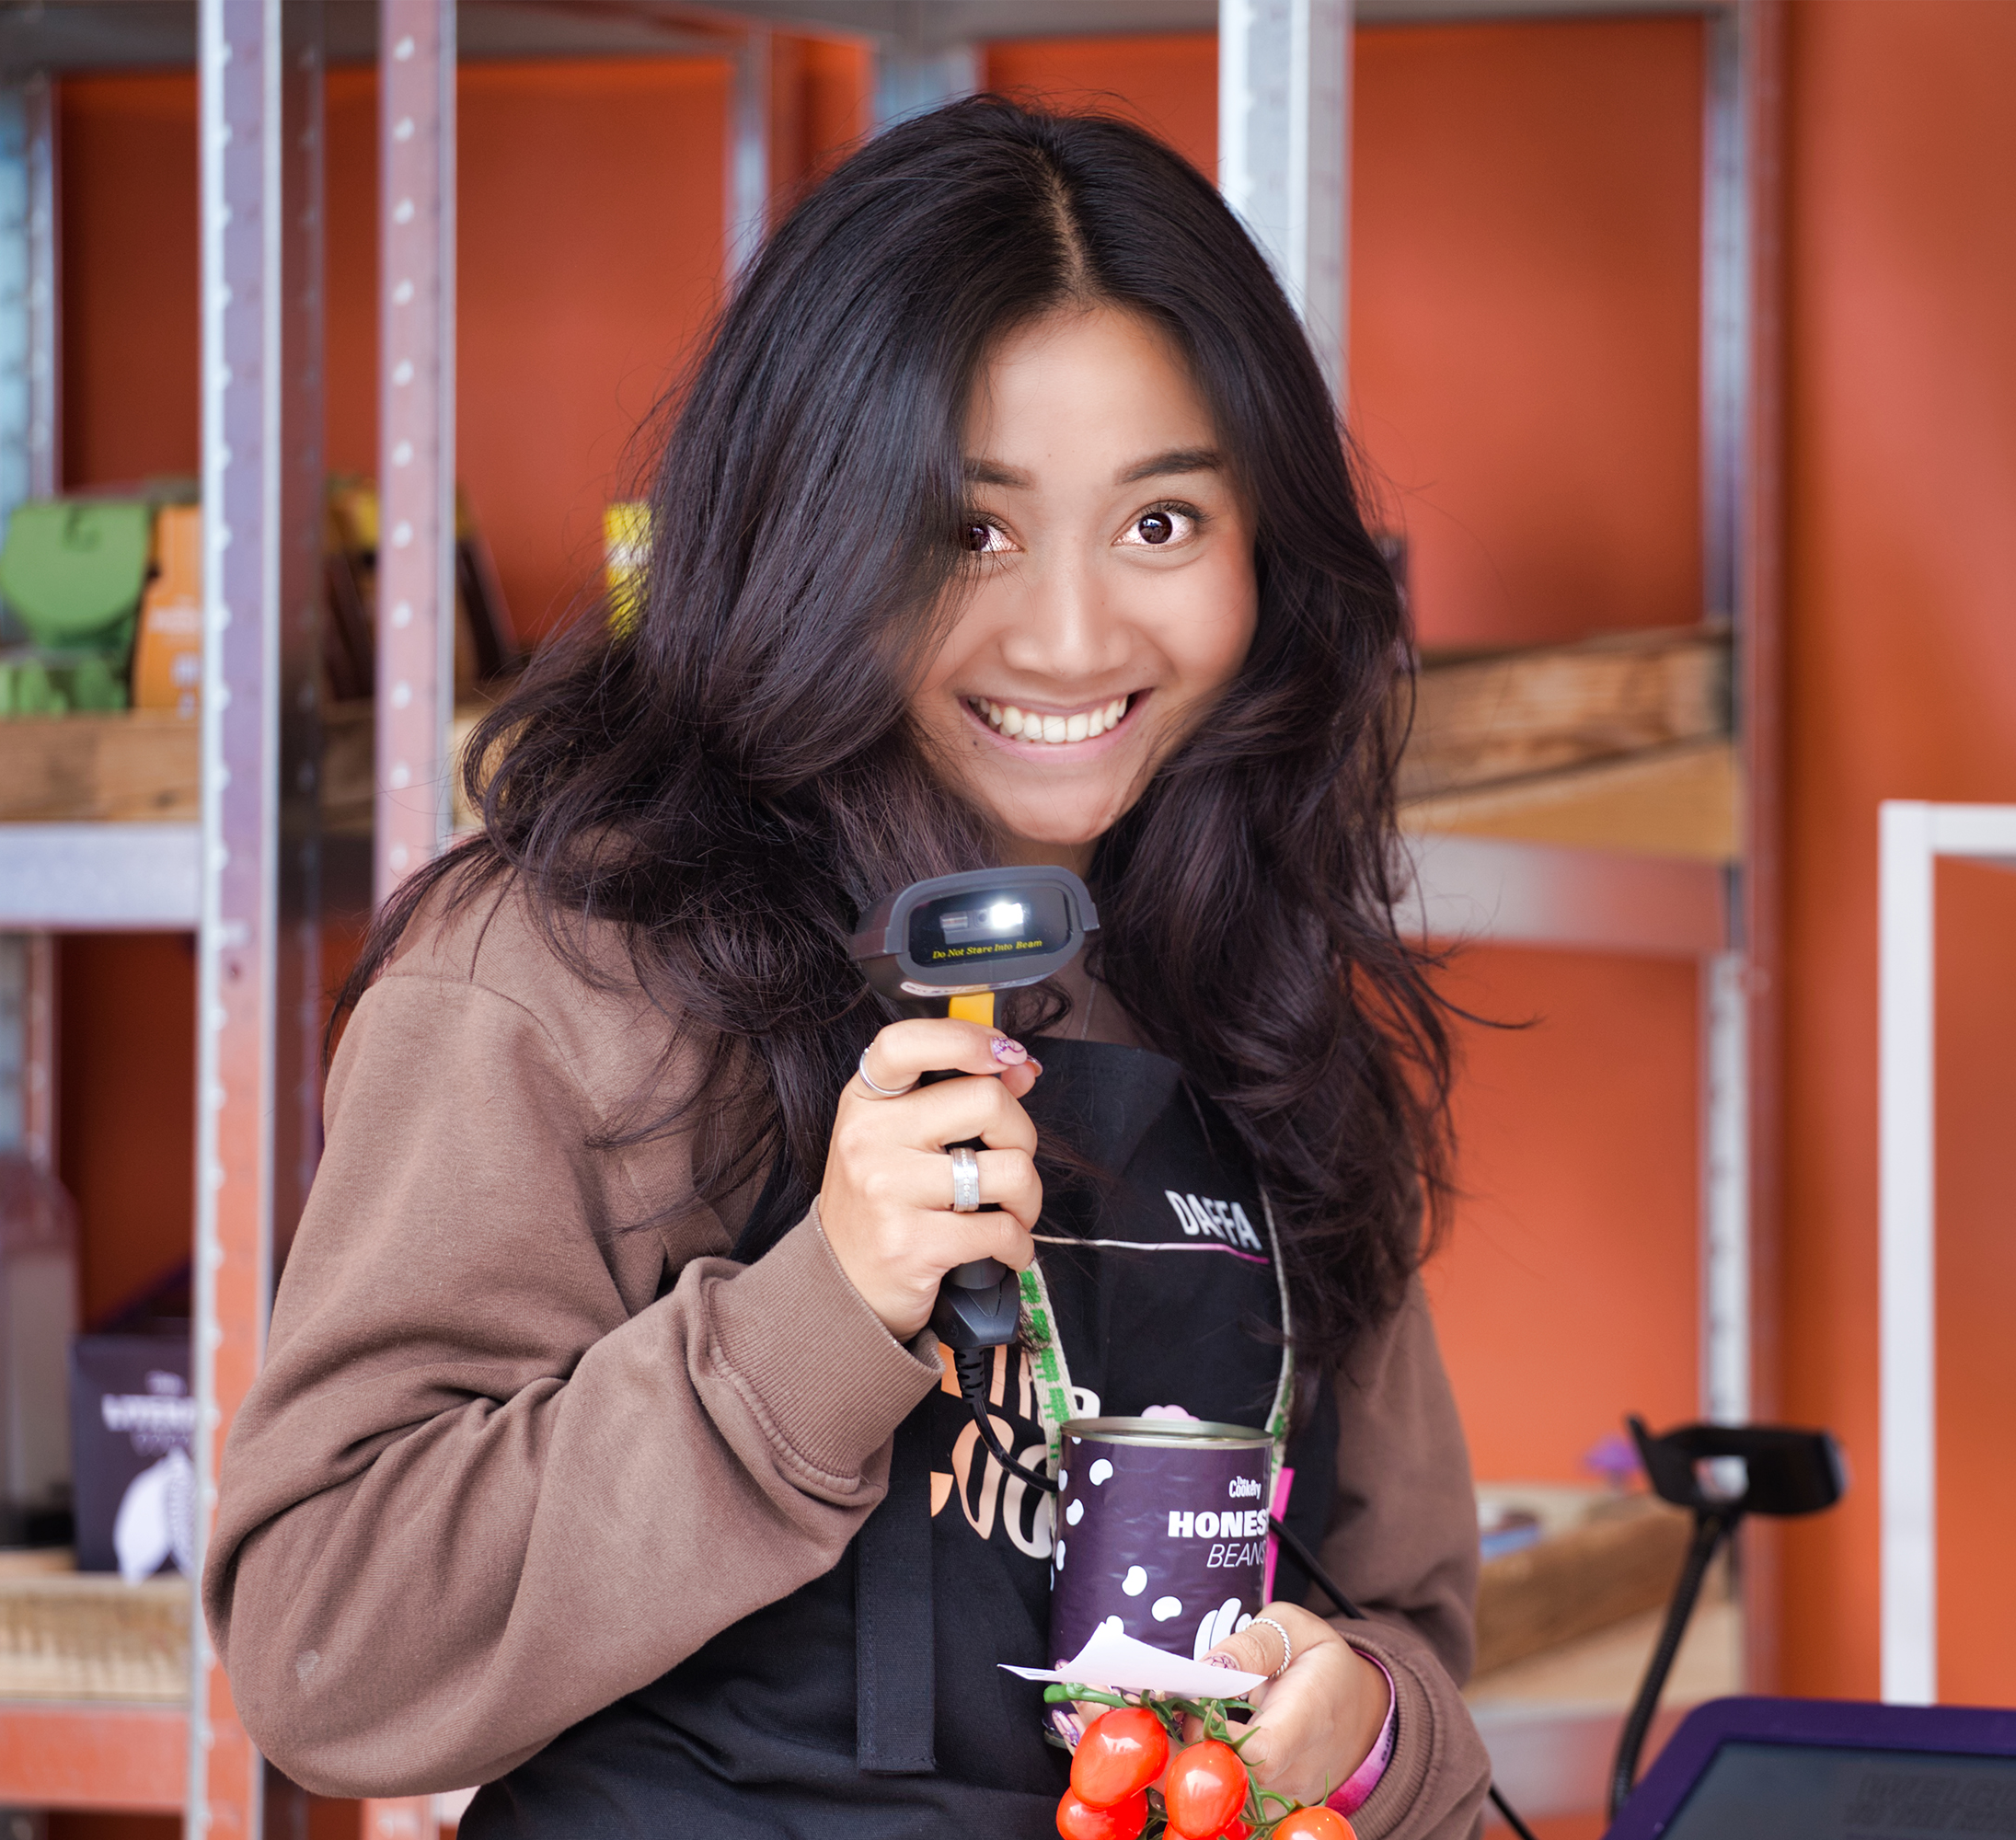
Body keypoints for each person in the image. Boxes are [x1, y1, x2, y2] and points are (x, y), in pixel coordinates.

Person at [204, 98, 1492, 1838]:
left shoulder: (1254, 995)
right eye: (970, 532)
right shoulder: (567, 978)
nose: (1073, 637)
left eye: (1162, 525)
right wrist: (814, 1322)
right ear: (809, 529)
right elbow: (326, 1647)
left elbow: (1404, 1616)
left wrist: (1362, 1732)